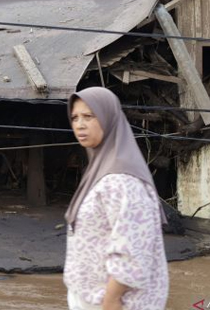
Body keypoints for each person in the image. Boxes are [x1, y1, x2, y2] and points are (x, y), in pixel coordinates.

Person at [63, 87, 169, 310]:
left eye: (89, 116)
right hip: (91, 297)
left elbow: (132, 250)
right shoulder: (100, 172)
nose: (80, 125)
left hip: (115, 303)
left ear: (108, 118)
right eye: (75, 117)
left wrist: (111, 301)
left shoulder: (122, 181)